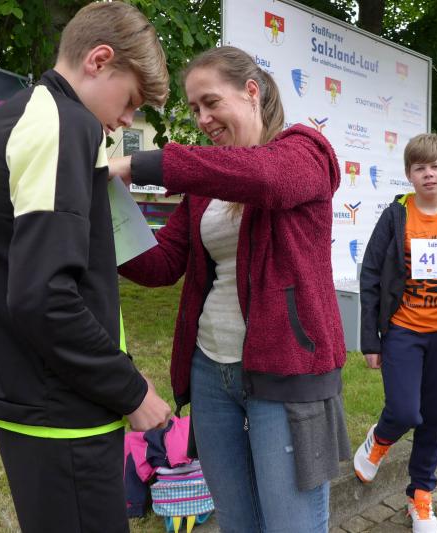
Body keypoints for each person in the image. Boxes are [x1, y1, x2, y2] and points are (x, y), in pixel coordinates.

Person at [0, 3, 172, 532]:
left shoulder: (23, 114)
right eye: (130, 101)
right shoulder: (65, 123)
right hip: (63, 408)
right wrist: (131, 391)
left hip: (43, 391)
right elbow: (45, 296)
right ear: (99, 60)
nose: (127, 120)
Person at [110, 46, 349, 533]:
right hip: (210, 374)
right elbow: (162, 264)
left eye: (211, 102)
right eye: (194, 108)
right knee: (237, 523)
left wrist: (138, 165)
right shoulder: (207, 185)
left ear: (251, 91)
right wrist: (103, 222)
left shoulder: (306, 151)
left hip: (284, 374)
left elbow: (265, 178)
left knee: (292, 526)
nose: (203, 119)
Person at [354, 133, 437, 533]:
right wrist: (370, 339)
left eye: (435, 166)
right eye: (419, 168)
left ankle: (420, 494)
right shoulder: (395, 216)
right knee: (406, 411)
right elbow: (370, 276)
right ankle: (380, 438)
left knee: (436, 417)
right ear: (409, 175)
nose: (428, 174)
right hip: (404, 330)